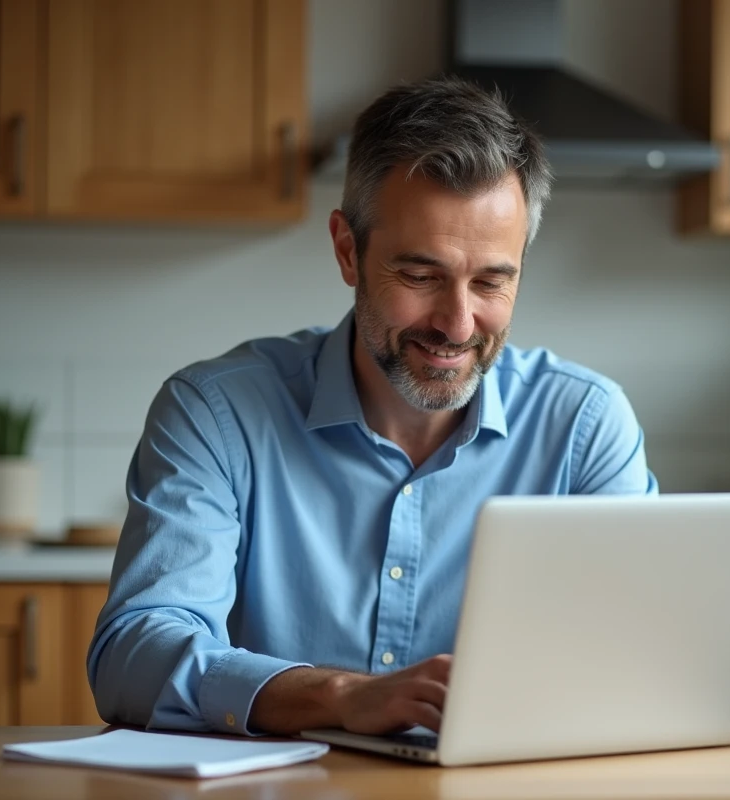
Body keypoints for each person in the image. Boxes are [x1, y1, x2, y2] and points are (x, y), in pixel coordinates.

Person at [88, 77, 658, 739]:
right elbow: (132, 655)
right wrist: (338, 698)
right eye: (420, 276)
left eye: (491, 281)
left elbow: (635, 661)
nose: (456, 322)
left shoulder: (585, 427)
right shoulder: (217, 414)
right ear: (346, 250)